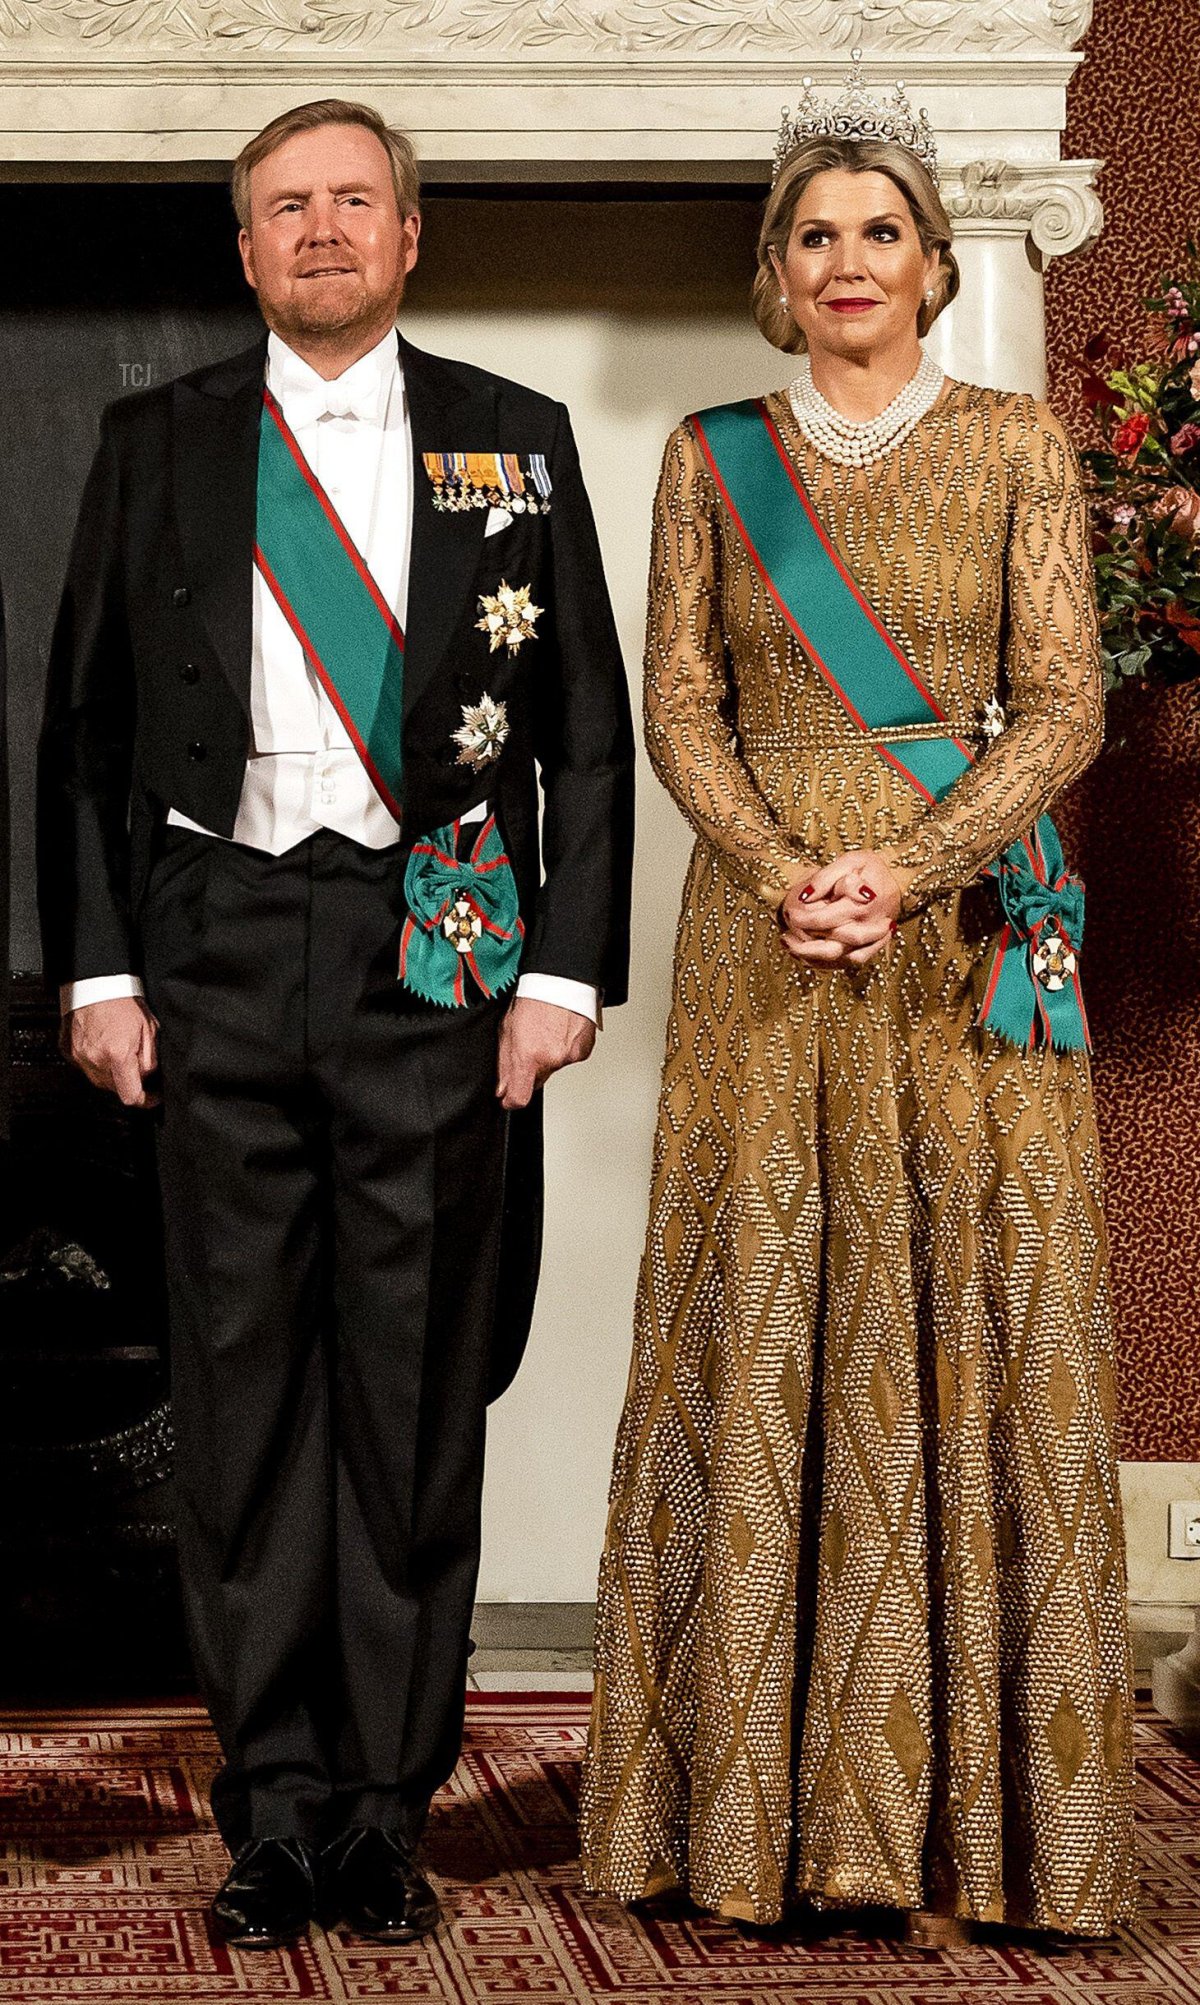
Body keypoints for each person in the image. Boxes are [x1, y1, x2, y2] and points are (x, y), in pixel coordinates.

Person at [39, 99, 634, 1950]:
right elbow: (86, 732)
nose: (320, 231)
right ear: (243, 250)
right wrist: (100, 971)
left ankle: (385, 1807)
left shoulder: (513, 441)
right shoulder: (158, 442)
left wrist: (558, 974)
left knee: (406, 1390)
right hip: (214, 942)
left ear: (409, 234)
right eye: (285, 207)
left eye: (352, 202)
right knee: (243, 1395)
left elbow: (586, 733)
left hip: (431, 955)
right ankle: (274, 1804)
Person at [581, 69, 1135, 1945]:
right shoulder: (706, 452)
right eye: (814, 231)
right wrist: (776, 870)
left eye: (878, 228)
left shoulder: (1016, 446)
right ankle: (741, 1817)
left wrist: (906, 866)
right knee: (771, 1319)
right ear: (777, 262)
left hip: (962, 935)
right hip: (766, 946)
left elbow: (1065, 703)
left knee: (964, 1310)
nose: (847, 260)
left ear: (929, 255)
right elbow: (677, 707)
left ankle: (982, 1827)